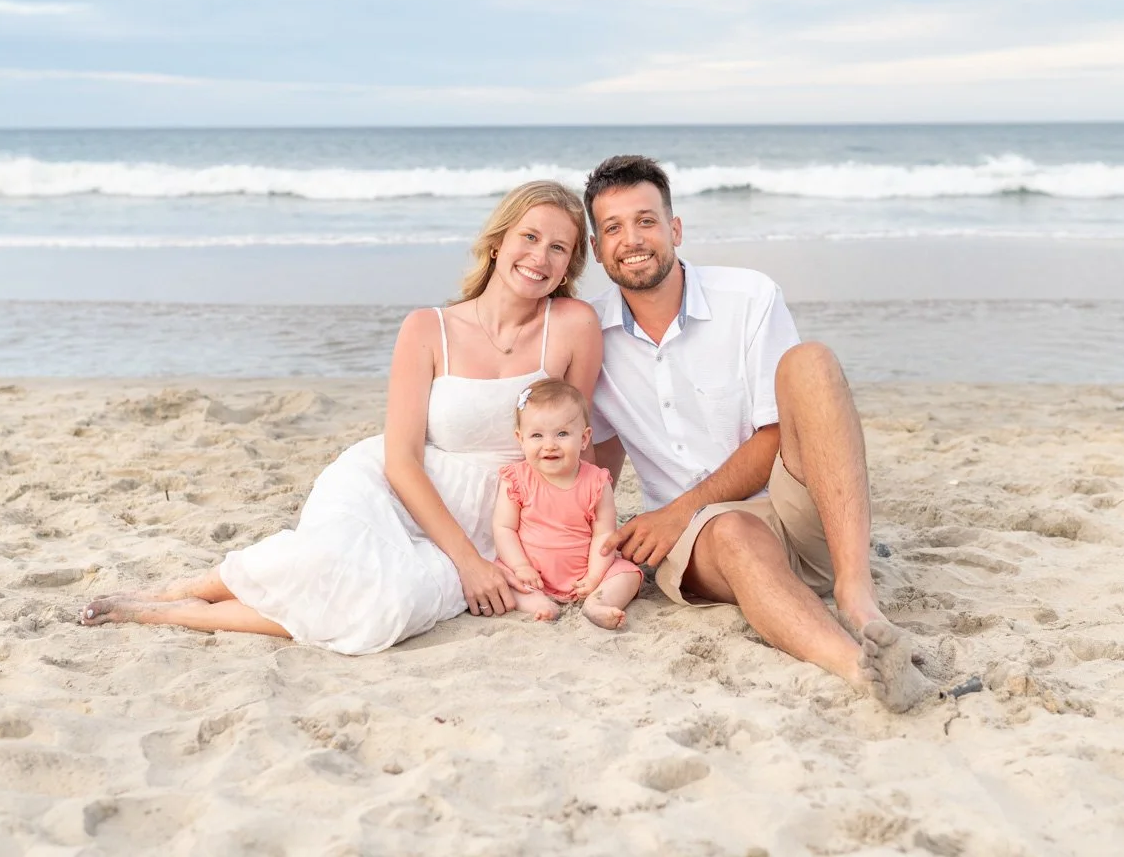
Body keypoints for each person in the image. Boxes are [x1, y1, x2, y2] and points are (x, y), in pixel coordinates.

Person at [79, 180, 603, 654]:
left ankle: (189, 615)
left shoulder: (575, 325)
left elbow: (581, 448)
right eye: (529, 237)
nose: (540, 256)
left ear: (570, 265)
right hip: (396, 485)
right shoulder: (427, 328)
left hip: (496, 514)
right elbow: (401, 459)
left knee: (390, 607)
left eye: (559, 247)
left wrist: (583, 535)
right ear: (498, 240)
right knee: (326, 559)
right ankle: (184, 593)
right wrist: (467, 562)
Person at [582, 155, 932, 712]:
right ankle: (863, 670)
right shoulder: (590, 334)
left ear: (674, 229)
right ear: (598, 250)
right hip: (707, 544)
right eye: (613, 228)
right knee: (732, 532)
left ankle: (855, 592)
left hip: (795, 505)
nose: (632, 239)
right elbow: (595, 461)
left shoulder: (747, 297)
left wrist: (677, 510)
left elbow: (775, 434)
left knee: (810, 362)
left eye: (646, 220)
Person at [491, 377, 642, 629]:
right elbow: (504, 528)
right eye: (537, 435)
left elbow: (603, 534)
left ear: (584, 439)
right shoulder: (516, 479)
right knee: (504, 578)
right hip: (532, 573)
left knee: (629, 574)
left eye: (562, 434)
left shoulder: (596, 481)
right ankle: (540, 605)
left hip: (584, 570)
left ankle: (597, 602)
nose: (549, 445)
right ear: (520, 439)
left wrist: (594, 576)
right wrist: (520, 566)